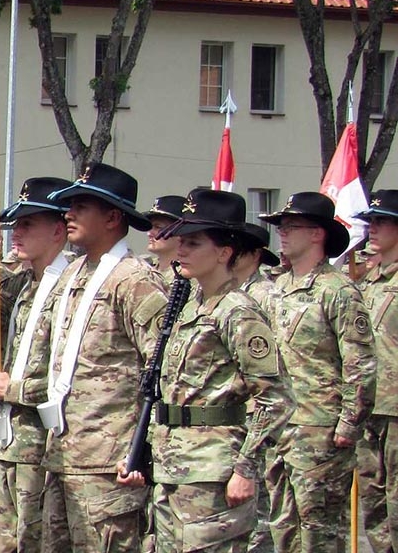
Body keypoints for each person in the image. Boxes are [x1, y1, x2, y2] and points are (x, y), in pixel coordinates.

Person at [117, 189, 295, 553]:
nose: (180, 250)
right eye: (180, 241)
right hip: (174, 469)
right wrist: (142, 453)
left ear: (224, 253)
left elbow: (276, 398)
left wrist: (245, 468)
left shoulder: (237, 312)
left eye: (193, 243)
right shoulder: (187, 307)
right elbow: (167, 390)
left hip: (214, 472)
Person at [38, 163, 168, 552]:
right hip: (64, 453)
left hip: (109, 464)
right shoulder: (73, 272)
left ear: (113, 217)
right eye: (69, 205)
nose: (69, 214)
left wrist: (142, 452)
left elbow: (161, 372)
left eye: (81, 206)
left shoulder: (134, 280)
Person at [259, 191, 376, 553]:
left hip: (320, 429)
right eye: (281, 226)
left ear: (317, 234)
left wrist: (348, 424)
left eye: (293, 226)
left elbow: (360, 361)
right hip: (281, 427)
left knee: (318, 532)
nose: (283, 232)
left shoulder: (337, 290)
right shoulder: (276, 289)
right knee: (282, 527)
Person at [0, 176, 71, 553]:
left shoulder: (68, 286)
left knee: (36, 542)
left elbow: (76, 377)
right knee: (8, 541)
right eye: (15, 225)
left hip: (44, 442)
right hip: (11, 441)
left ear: (58, 229)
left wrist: (14, 390)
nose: (15, 234)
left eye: (27, 225)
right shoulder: (25, 284)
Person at [233, 223, 284, 553]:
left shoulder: (264, 295)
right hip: (241, 412)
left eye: (236, 247)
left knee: (261, 504)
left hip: (261, 411)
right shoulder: (232, 292)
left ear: (253, 255)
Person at [354, 190, 398, 553]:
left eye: (383, 221)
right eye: (371, 222)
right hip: (370, 405)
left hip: (397, 409)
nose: (373, 229)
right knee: (374, 504)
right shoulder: (368, 283)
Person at [144, 195, 186, 275]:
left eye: (158, 227)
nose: (149, 233)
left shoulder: (189, 274)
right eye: (150, 227)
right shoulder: (144, 269)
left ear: (180, 231)